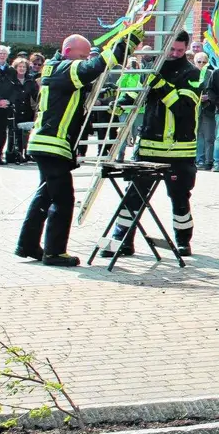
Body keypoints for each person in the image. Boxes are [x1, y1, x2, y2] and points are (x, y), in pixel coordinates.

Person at [19, 32, 133, 266]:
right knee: (63, 200)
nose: (85, 59)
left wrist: (103, 93)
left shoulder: (58, 70)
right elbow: (93, 67)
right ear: (69, 51)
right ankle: (54, 252)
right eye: (83, 55)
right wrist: (124, 45)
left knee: (45, 195)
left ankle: (27, 244)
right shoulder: (63, 68)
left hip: (48, 143)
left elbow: (77, 93)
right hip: (53, 144)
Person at [105, 31, 202, 259]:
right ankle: (122, 239)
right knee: (134, 195)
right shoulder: (152, 68)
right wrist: (119, 103)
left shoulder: (193, 73)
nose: (175, 54)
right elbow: (135, 95)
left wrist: (160, 85)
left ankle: (182, 242)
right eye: (172, 50)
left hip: (179, 149)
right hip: (148, 144)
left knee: (179, 198)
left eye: (179, 51)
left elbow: (183, 108)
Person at [8, 57, 39, 163]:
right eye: (20, 67)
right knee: (14, 133)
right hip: (14, 109)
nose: (22, 69)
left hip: (27, 109)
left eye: (24, 67)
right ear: (15, 68)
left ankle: (27, 153)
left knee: (27, 133)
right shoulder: (11, 79)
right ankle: (14, 154)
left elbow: (36, 95)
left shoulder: (30, 79)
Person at [193, 50, 218, 171]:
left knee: (209, 136)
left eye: (204, 62)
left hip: (208, 108)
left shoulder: (212, 74)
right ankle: (198, 159)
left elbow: (216, 90)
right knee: (196, 136)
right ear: (195, 62)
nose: (202, 64)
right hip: (194, 109)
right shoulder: (191, 73)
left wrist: (209, 97)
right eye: (199, 61)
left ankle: (208, 160)